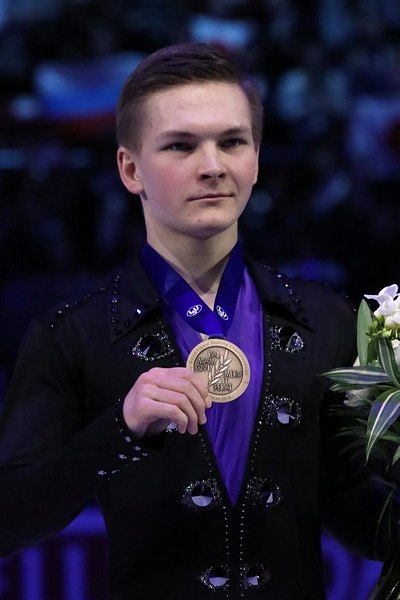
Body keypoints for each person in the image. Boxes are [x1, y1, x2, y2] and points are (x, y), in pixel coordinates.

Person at [0, 42, 398, 600]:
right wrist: (119, 430)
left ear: (256, 159)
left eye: (232, 142)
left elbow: (349, 499)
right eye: (181, 146)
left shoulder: (328, 319)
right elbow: (10, 519)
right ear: (130, 168)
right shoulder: (71, 335)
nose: (212, 167)